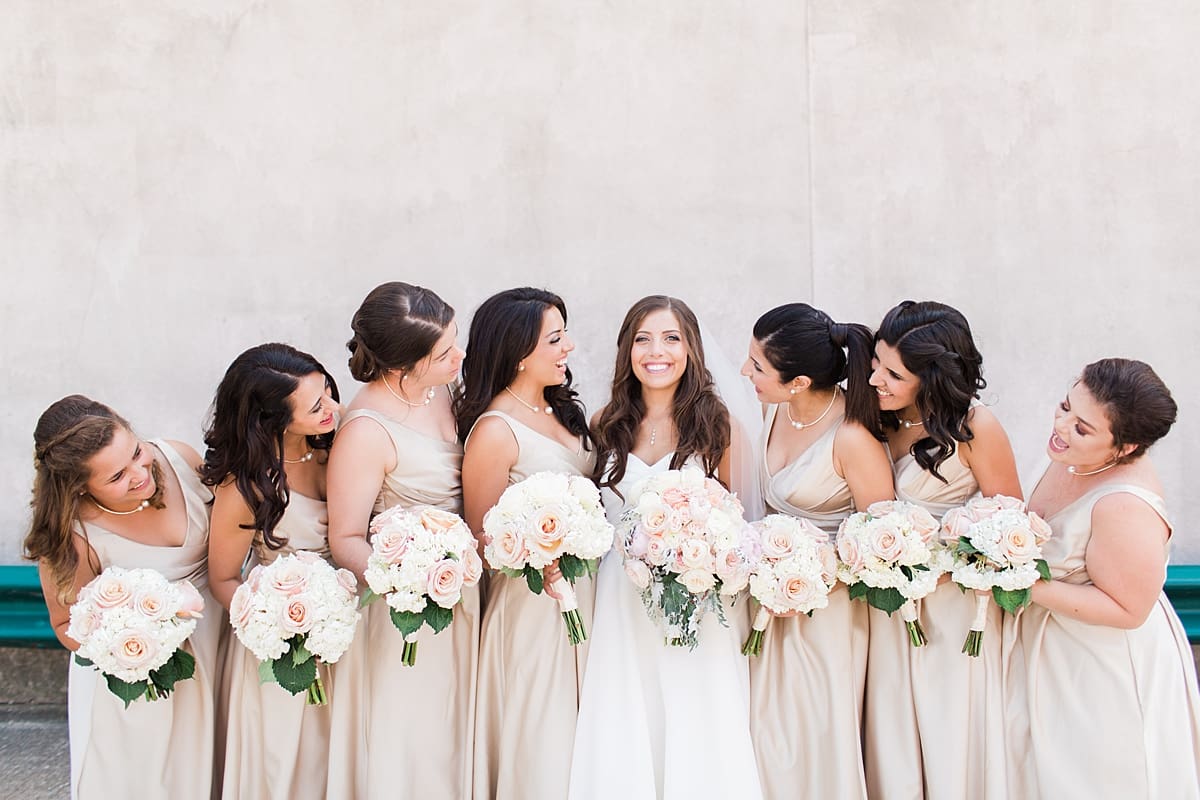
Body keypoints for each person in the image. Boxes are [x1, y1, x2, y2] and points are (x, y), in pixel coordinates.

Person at [569, 295, 762, 800]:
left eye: (671, 338)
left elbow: (740, 525)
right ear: (627, 350)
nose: (657, 351)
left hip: (695, 595)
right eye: (643, 339)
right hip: (619, 595)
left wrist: (699, 554)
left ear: (691, 348)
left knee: (695, 712)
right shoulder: (606, 423)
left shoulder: (718, 424)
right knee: (626, 711)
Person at [1006, 358, 1200, 797]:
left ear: (1125, 447)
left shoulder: (1125, 506)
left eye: (1082, 428)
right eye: (1065, 406)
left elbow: (1129, 610)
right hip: (1053, 649)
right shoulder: (1073, 455)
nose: (1061, 426)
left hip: (1103, 668)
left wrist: (1023, 582)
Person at [24, 395, 221, 800]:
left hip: (219, 649)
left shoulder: (180, 459)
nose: (139, 473)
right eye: (116, 476)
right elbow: (65, 624)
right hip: (142, 683)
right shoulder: (71, 534)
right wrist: (134, 639)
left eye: (135, 452)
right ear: (79, 487)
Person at [863, 300, 1021, 800]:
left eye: (894, 374)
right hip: (887, 605)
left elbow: (1010, 527)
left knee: (949, 731)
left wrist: (943, 561)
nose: (875, 380)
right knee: (893, 734)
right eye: (876, 364)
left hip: (954, 610)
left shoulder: (976, 427)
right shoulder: (878, 419)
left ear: (931, 379)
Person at [324, 282, 475, 799]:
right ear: (402, 367)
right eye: (444, 353)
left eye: (455, 340)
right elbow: (345, 538)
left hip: (459, 594)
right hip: (405, 615)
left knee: (452, 739)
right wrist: (411, 586)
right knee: (413, 741)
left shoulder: (442, 389)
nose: (460, 356)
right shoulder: (366, 431)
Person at [741, 303, 894, 800]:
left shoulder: (852, 439)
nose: (744, 372)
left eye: (757, 366)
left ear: (800, 382)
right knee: (766, 735)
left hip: (829, 614)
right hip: (768, 599)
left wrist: (810, 571)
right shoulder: (772, 409)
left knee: (813, 736)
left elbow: (883, 547)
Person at [459, 287, 595, 800]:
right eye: (555, 340)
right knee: (545, 737)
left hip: (586, 598)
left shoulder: (561, 409)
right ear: (518, 353)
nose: (569, 348)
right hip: (533, 609)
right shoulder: (495, 431)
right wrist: (538, 547)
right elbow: (482, 540)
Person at [201, 343, 340, 800]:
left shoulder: (336, 446)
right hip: (287, 646)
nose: (332, 408)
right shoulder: (247, 487)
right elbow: (224, 579)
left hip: (349, 632)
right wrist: (282, 630)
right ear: (272, 421)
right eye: (315, 406)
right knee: (293, 763)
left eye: (327, 391)